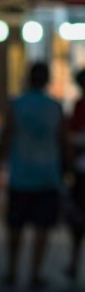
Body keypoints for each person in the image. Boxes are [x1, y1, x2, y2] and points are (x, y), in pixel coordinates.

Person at [2, 62, 65, 288]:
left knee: (15, 226)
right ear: (47, 80)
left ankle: (11, 270)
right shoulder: (55, 107)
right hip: (48, 174)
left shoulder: (16, 104)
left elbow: (7, 136)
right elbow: (62, 140)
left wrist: (3, 163)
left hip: (20, 173)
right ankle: (35, 273)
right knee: (42, 227)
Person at [64, 68, 85, 280]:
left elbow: (73, 136)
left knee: (78, 219)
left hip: (81, 169)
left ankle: (74, 262)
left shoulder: (80, 105)